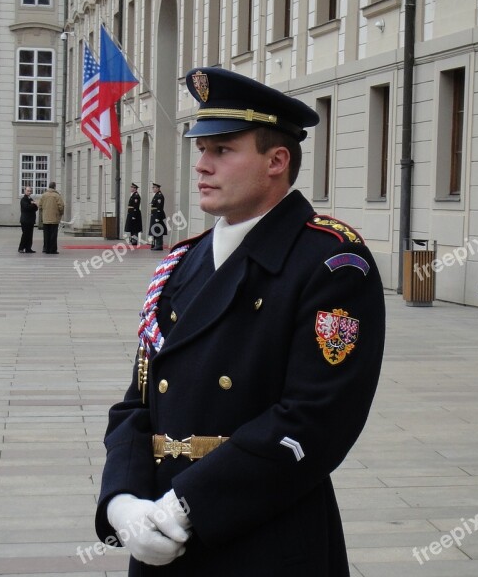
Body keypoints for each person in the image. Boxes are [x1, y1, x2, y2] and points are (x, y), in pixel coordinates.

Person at [95, 67, 386, 576]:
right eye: (201, 149)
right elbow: (137, 402)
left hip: (266, 542)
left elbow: (314, 420)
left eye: (222, 150)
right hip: (160, 538)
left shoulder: (332, 263)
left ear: (277, 161)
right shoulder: (181, 265)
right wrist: (122, 500)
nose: (202, 165)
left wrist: (188, 505)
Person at [38, 181, 65, 254]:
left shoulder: (44, 195)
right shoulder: (57, 196)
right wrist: (60, 214)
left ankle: (46, 248)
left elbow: (40, 206)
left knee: (46, 234)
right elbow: (61, 206)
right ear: (54, 187)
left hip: (46, 218)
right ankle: (53, 249)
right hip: (54, 219)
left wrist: (43, 213)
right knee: (53, 235)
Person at [18, 186, 38, 253]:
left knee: (30, 235)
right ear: (25, 191)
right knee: (25, 234)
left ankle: (28, 248)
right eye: (28, 191)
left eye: (30, 191)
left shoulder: (30, 199)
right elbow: (27, 208)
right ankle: (21, 248)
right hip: (25, 220)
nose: (29, 192)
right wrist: (33, 204)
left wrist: (33, 204)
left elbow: (36, 208)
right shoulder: (23, 199)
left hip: (31, 220)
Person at [149, 183, 167, 250]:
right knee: (155, 230)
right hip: (154, 214)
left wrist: (157, 217)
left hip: (157, 215)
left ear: (158, 188)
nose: (153, 189)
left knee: (158, 230)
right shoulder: (156, 195)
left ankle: (159, 245)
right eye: (153, 187)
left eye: (154, 187)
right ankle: (156, 244)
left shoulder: (159, 196)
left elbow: (159, 208)